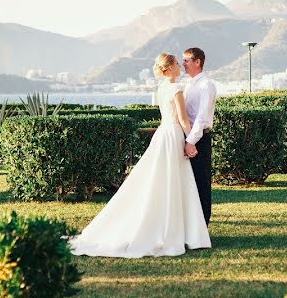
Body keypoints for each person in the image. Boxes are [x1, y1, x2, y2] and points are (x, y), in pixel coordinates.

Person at [69, 53, 211, 258]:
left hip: (163, 135)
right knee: (174, 180)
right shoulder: (177, 89)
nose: (180, 66)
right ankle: (179, 231)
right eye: (177, 64)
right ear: (169, 68)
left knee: (162, 180)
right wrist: (191, 142)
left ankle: (173, 229)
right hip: (173, 136)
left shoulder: (162, 89)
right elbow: (182, 119)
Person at [182, 47, 217, 226]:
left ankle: (203, 227)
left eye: (186, 60)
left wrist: (190, 142)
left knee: (201, 184)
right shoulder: (188, 84)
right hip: (187, 139)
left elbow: (202, 118)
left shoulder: (206, 85)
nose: (183, 64)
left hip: (199, 140)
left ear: (198, 62)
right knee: (188, 185)